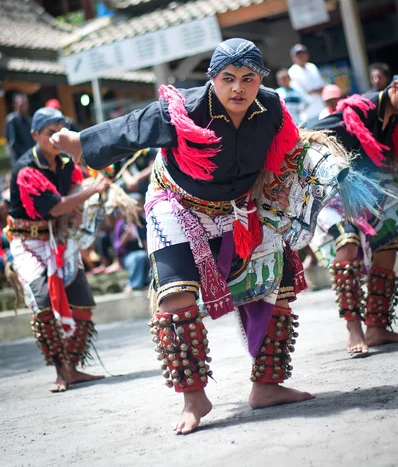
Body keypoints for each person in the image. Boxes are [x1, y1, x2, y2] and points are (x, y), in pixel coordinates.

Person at [51, 38, 314, 434]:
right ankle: (195, 398)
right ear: (212, 79)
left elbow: (286, 147)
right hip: (176, 203)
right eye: (228, 78)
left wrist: (278, 182)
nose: (238, 88)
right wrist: (78, 143)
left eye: (248, 78)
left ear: (260, 79)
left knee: (273, 285)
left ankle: (267, 385)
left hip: (240, 207)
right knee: (175, 297)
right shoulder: (184, 109)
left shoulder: (272, 106)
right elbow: (132, 128)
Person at [6, 107, 109, 392]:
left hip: (60, 238)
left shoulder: (65, 161)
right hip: (29, 242)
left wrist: (79, 202)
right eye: (51, 133)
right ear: (34, 135)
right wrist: (90, 191)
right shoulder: (26, 169)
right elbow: (54, 206)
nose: (56, 138)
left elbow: (73, 188)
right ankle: (61, 371)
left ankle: (73, 368)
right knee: (42, 303)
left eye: (61, 133)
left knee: (83, 304)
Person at [309, 79, 398, 354]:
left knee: (389, 242)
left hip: (373, 191)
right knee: (347, 243)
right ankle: (354, 330)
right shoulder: (358, 109)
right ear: (394, 88)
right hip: (333, 190)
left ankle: (376, 327)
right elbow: (308, 137)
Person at [288, 44, 325, 119]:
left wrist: (313, 90)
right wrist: (314, 90)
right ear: (293, 58)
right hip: (307, 113)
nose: (301, 57)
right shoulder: (292, 71)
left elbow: (321, 86)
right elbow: (300, 93)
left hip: (321, 107)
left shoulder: (312, 66)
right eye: (299, 55)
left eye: (303, 54)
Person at [6, 93, 34, 166]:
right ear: (15, 105)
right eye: (21, 105)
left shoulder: (28, 119)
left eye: (26, 104)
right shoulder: (12, 120)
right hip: (21, 160)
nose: (24, 107)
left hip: (32, 157)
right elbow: (13, 143)